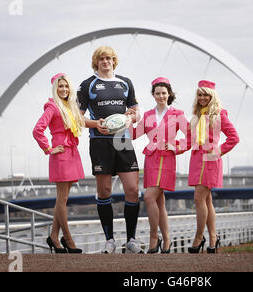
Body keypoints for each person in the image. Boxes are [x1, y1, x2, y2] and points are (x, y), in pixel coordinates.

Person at [77, 46, 143, 254]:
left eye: (109, 58)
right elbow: (78, 117)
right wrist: (96, 124)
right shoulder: (87, 85)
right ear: (96, 62)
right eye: (102, 59)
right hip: (99, 141)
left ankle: (131, 239)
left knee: (132, 190)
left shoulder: (125, 83)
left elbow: (136, 113)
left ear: (115, 61)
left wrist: (131, 117)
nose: (106, 61)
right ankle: (110, 240)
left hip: (122, 141)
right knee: (104, 191)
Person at [132, 77, 190, 254]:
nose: (161, 96)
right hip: (151, 160)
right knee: (159, 202)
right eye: (157, 93)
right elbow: (134, 134)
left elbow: (191, 136)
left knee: (149, 197)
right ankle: (166, 239)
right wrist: (127, 120)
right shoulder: (148, 115)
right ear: (153, 95)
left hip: (166, 159)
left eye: (164, 93)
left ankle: (153, 238)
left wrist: (177, 146)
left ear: (169, 94)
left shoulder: (177, 114)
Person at [33, 73, 85, 254]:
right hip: (61, 153)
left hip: (72, 152)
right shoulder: (53, 107)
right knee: (62, 199)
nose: (63, 89)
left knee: (62, 199)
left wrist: (100, 123)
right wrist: (48, 149)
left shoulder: (68, 107)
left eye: (66, 86)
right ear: (55, 89)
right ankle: (68, 238)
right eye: (60, 87)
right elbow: (37, 129)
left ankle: (54, 236)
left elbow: (82, 122)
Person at [188, 80, 240, 254]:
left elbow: (234, 138)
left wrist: (218, 152)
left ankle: (198, 237)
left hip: (210, 160)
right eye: (200, 94)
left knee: (198, 198)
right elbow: (189, 141)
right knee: (206, 200)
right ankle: (213, 238)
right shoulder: (196, 116)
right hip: (196, 160)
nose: (202, 98)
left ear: (212, 96)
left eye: (206, 94)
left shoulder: (219, 115)